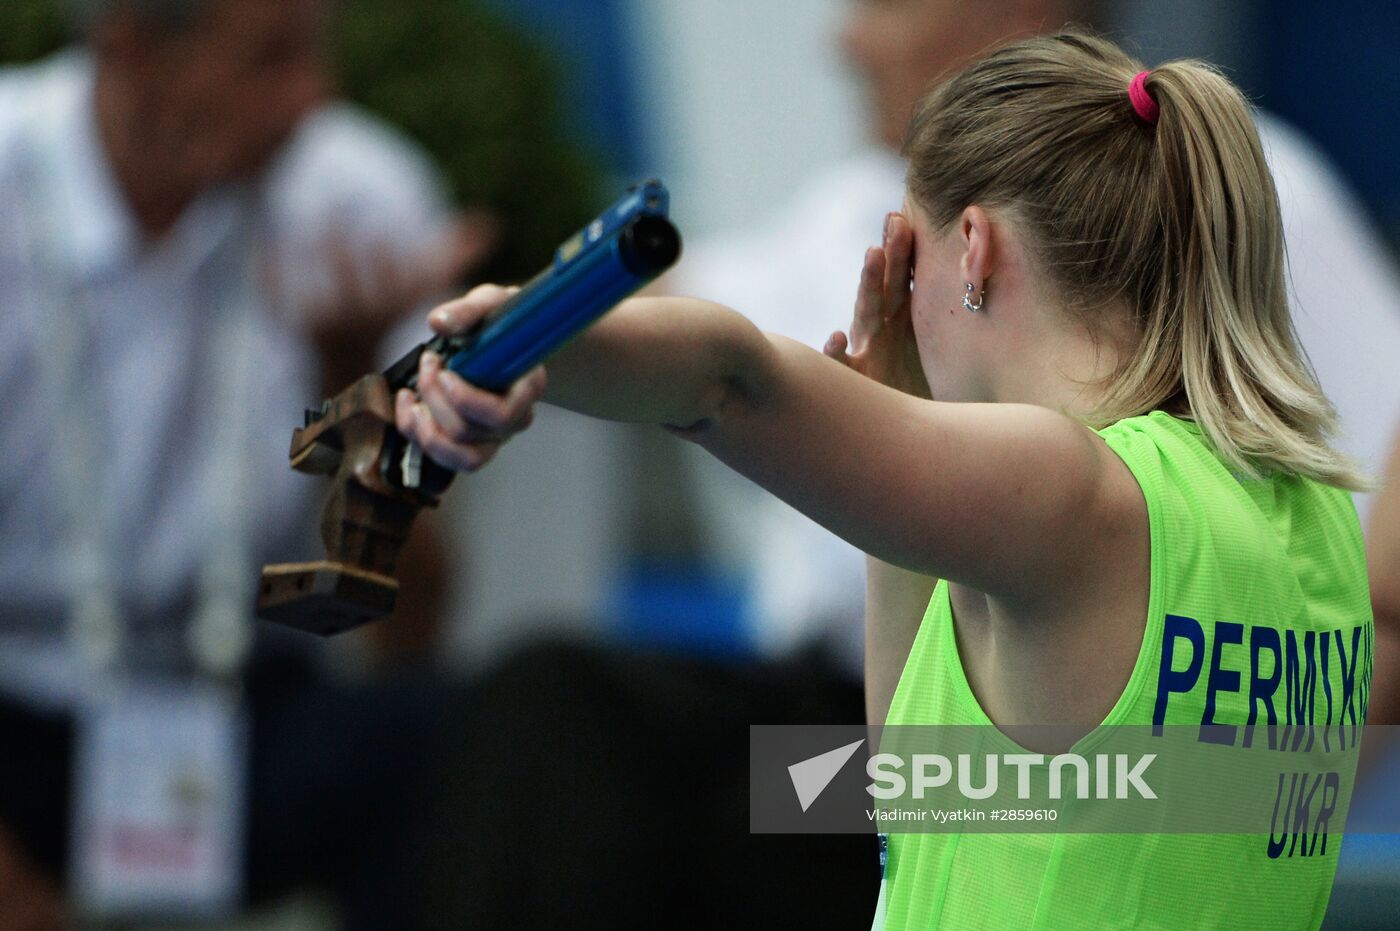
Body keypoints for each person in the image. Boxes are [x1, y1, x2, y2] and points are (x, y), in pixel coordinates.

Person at [403, 31, 1374, 927]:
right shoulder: (1313, 511)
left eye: (908, 256)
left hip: (801, 760)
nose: (849, 37)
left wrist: (517, 343)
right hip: (898, 770)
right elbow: (920, 786)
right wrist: (899, 431)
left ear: (975, 253)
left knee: (566, 727)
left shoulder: (1069, 489)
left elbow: (727, 377)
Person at [0, 0, 482, 925]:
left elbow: (410, 635)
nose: (314, 97)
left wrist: (359, 413)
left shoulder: (357, 201)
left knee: (453, 733)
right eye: (273, 59)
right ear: (128, 48)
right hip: (16, 700)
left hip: (220, 704)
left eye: (318, 50)